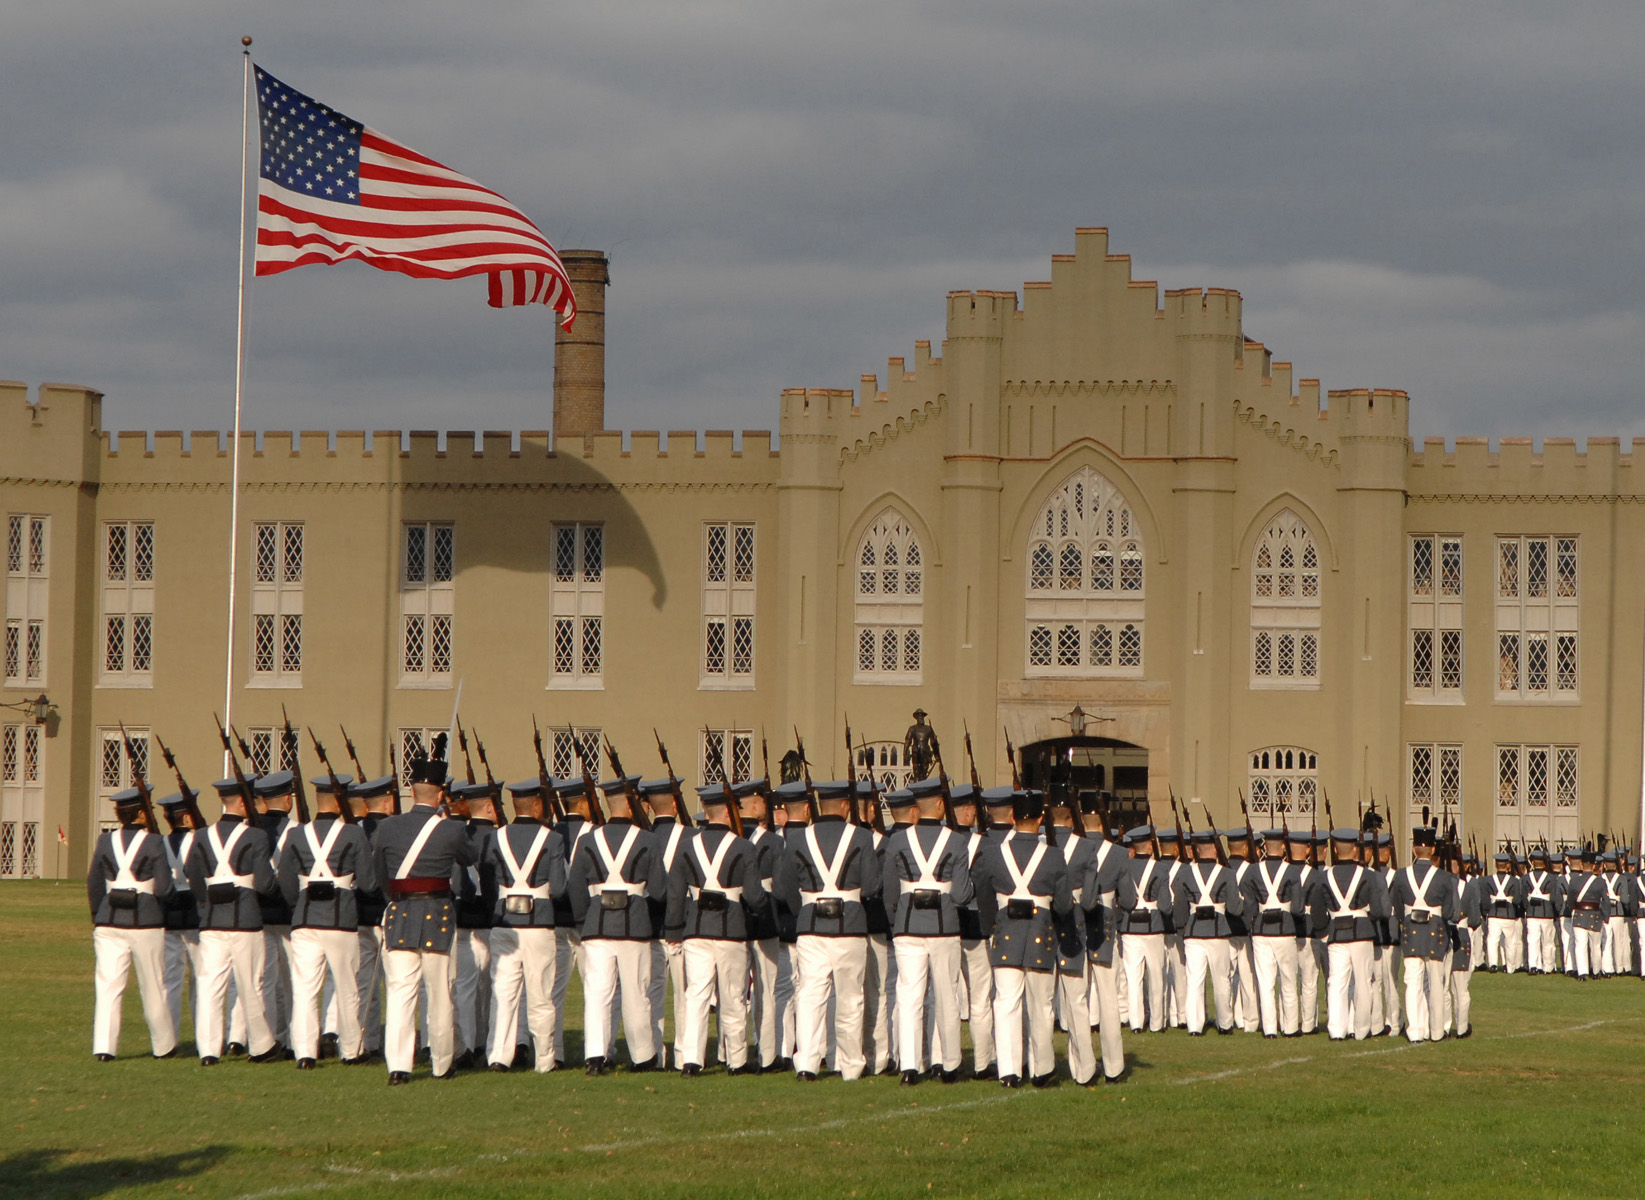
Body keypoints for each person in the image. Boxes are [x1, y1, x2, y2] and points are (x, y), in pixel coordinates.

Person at [370, 735, 477, 1084]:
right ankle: (442, 1063)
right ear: (441, 795)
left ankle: (398, 1067)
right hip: (437, 917)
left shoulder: (387, 826)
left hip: (399, 915)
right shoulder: (451, 828)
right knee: (440, 995)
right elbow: (470, 858)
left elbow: (380, 877)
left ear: (412, 792)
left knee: (400, 995)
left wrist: (397, 896)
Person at [775, 778, 881, 1081]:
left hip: (811, 925)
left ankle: (807, 1063)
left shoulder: (797, 839)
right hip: (850, 925)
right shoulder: (861, 837)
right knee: (850, 998)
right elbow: (872, 885)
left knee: (810, 995)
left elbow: (784, 888)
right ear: (846, 806)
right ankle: (850, 1065)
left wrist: (805, 909)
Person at [973, 789, 1071, 1088]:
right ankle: (1041, 1069)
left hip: (1005, 930)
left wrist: (990, 925)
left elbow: (984, 896)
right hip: (1041, 930)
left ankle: (1009, 1071)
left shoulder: (992, 853)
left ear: (1013, 817)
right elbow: (1065, 904)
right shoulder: (1054, 855)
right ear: (1041, 820)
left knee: (1006, 1002)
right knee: (1041, 1004)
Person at [668, 784, 769, 1076]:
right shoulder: (743, 847)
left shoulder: (686, 847)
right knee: (733, 997)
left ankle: (691, 1060)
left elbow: (676, 896)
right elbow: (754, 896)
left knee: (696, 995)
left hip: (696, 929)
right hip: (731, 930)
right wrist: (763, 910)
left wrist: (674, 931)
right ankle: (737, 1060)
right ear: (727, 811)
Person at [277, 772, 377, 1068]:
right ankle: (350, 1050)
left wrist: (299, 904)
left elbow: (285, 883)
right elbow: (369, 883)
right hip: (341, 920)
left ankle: (305, 1054)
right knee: (347, 988)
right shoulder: (354, 833)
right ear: (339, 799)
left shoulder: (296, 835)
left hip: (304, 918)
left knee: (305, 990)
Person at [568, 774, 665, 1074]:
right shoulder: (649, 840)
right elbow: (660, 890)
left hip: (597, 924)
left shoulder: (587, 840)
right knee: (636, 993)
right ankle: (642, 1056)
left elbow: (575, 889)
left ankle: (595, 1057)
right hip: (634, 924)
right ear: (632, 802)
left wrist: (587, 920)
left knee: (597, 993)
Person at [882, 776, 974, 1085]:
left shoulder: (896, 840)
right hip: (944, 925)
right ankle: (947, 1063)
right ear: (939, 804)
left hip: (907, 924)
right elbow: (962, 895)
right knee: (947, 996)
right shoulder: (957, 840)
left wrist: (895, 920)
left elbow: (889, 893)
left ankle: (910, 1065)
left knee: (909, 996)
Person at [187, 777, 280, 1065]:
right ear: (242, 803)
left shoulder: (202, 836)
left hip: (213, 919)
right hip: (245, 919)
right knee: (250, 984)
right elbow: (264, 884)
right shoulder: (256, 836)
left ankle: (208, 1051)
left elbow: (194, 874)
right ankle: (261, 1046)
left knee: (210, 986)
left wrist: (206, 901)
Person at [88, 788, 178, 1061]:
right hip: (145, 920)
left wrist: (98, 914)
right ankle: (163, 1046)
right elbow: (163, 889)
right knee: (153, 985)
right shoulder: (154, 842)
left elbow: (94, 883)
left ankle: (104, 1047)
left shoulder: (105, 842)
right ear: (142, 813)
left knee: (108, 986)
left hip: (109, 919)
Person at [484, 779, 567, 1072]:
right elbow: (557, 889)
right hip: (538, 923)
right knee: (541, 994)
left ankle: (498, 1057)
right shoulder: (553, 839)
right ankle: (544, 1059)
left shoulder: (496, 837)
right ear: (535, 805)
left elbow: (487, 882)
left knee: (503, 993)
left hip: (503, 921)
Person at [1311, 829, 1390, 1041]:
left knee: (1336, 982)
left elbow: (1317, 911)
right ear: (1356, 850)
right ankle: (1361, 1029)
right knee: (1363, 982)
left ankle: (1337, 1030)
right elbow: (1381, 910)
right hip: (1362, 932)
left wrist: (1324, 932)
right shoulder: (1369, 876)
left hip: (1336, 932)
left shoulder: (1323, 877)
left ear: (1335, 850)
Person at [1078, 796, 1132, 1083]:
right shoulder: (1119, 855)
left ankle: (1081, 1066)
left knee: (1076, 999)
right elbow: (1130, 900)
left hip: (1074, 926)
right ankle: (1114, 1066)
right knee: (1109, 999)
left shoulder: (1071, 849)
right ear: (1102, 822)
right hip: (1105, 926)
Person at [1172, 830, 1244, 1036]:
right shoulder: (1227, 873)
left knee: (1194, 979)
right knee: (1222, 979)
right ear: (1214, 849)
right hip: (1218, 931)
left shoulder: (1185, 873)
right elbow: (1234, 909)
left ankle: (1194, 1026)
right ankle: (1224, 1023)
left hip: (1193, 931)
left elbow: (1179, 907)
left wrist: (1182, 926)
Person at [448, 780, 499, 1069]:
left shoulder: (460, 836)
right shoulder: (500, 836)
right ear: (490, 806)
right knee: (492, 987)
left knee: (464, 988)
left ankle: (466, 1045)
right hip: (491, 919)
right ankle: (488, 1042)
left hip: (465, 916)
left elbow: (457, 881)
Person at [1388, 824, 1455, 1044]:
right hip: (1436, 931)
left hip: (1410, 930)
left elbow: (1396, 907)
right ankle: (1436, 1031)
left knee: (1412, 982)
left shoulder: (1400, 875)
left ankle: (1415, 1030)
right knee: (1435, 983)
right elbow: (1451, 911)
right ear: (1433, 850)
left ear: (1414, 850)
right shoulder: (1445, 878)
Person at [737, 777, 786, 1073]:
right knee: (765, 991)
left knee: (733, 993)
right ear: (755, 805)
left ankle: (732, 1053)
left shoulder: (726, 836)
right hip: (764, 919)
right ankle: (767, 1055)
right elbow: (779, 886)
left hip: (733, 921)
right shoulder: (773, 841)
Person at [1242, 828, 1304, 1038]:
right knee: (1288, 980)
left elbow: (1249, 907)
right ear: (1284, 847)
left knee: (1265, 982)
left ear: (1265, 847)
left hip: (1261, 929)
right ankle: (1290, 1026)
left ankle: (1269, 1029)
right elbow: (1297, 909)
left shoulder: (1252, 871)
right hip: (1285, 929)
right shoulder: (1293, 871)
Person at [156, 792, 205, 1040]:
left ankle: (168, 1038)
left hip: (170, 915)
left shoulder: (159, 842)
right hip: (195, 914)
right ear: (187, 816)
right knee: (202, 980)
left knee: (171, 982)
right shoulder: (199, 840)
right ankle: (204, 1037)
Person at [1119, 825, 1170, 1033]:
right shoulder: (1160, 869)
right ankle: (1157, 1023)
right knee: (1156, 977)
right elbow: (1166, 906)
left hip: (1130, 927)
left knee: (1133, 978)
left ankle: (1136, 1023)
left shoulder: (1125, 867)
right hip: (1153, 927)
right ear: (1149, 846)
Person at [1522, 846, 1564, 974]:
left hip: (1532, 913)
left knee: (1532, 940)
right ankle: (1548, 966)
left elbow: (1524, 898)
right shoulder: (1552, 878)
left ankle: (1533, 966)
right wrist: (1555, 910)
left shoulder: (1526, 878)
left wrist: (1528, 908)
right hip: (1547, 912)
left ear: (1533, 862)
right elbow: (1555, 898)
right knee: (1548, 941)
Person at [1483, 852, 1526, 974]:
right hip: (1508, 914)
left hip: (1493, 913)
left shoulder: (1488, 880)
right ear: (1507, 865)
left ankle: (1493, 965)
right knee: (1510, 941)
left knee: (1492, 940)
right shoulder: (1513, 881)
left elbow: (1485, 900)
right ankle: (1510, 967)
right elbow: (1517, 900)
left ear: (1496, 865)